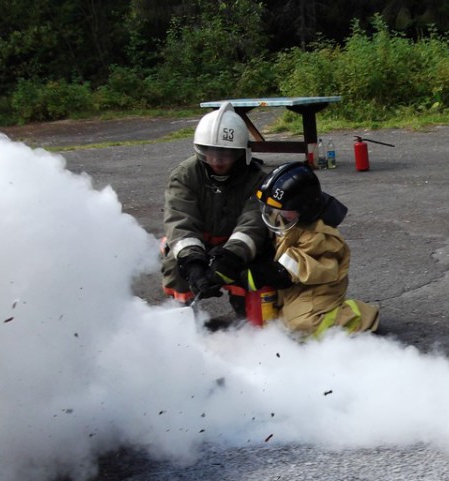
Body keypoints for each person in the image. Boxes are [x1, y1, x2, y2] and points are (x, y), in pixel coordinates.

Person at [208, 161, 380, 337]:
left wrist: (260, 273)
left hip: (316, 291)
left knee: (302, 327)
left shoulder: (320, 236)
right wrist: (227, 262)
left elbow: (295, 268)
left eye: (282, 210)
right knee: (270, 320)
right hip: (291, 288)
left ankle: (357, 315)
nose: (275, 213)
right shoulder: (288, 217)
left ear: (303, 209)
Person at [161, 102, 272, 317]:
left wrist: (229, 258)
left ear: (241, 152)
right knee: (176, 266)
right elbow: (179, 221)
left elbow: (253, 222)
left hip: (235, 249)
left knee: (256, 275)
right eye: (209, 152)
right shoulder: (184, 176)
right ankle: (182, 318)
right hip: (198, 244)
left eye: (226, 153)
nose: (217, 161)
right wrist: (192, 263)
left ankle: (249, 323)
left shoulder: (257, 179)